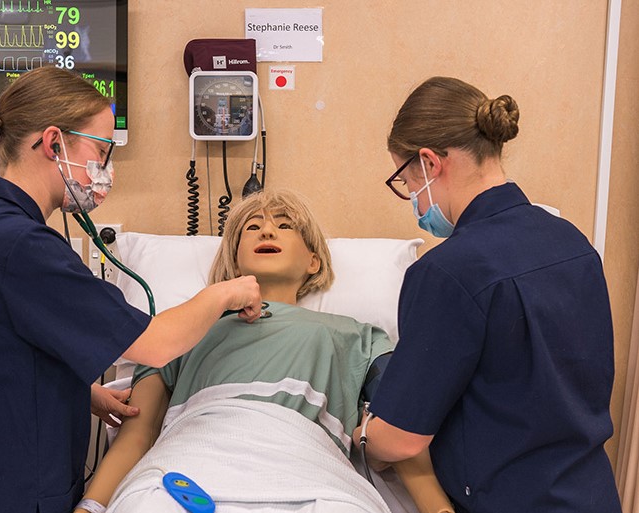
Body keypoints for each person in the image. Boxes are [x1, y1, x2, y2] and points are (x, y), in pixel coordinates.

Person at [0, 66, 261, 513]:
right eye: (101, 152)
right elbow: (156, 345)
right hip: (21, 493)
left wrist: (81, 394)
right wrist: (226, 292)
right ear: (53, 143)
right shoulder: (25, 248)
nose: (106, 171)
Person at [74, 189, 453, 513]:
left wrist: (438, 508)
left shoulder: (358, 337)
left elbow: (405, 434)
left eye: (285, 225)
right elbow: (136, 435)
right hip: (187, 467)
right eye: (252, 227)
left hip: (312, 474)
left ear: (313, 261)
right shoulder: (177, 332)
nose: (267, 229)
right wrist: (90, 507)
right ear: (235, 258)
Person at [355, 76, 621, 512]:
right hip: (592, 496)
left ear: (428, 163)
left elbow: (402, 439)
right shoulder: (572, 242)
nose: (412, 198)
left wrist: (364, 432)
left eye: (405, 180)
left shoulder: (446, 272)